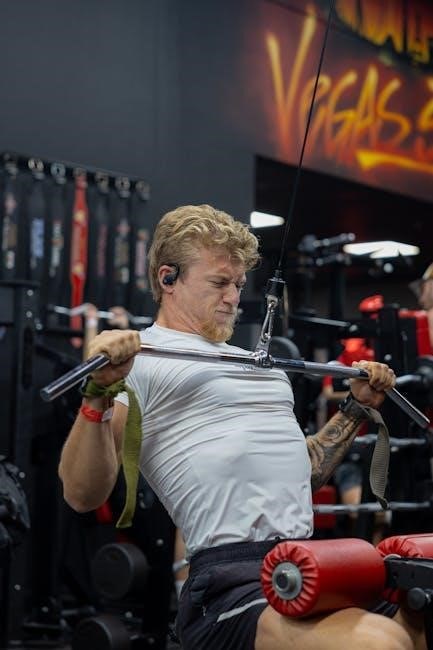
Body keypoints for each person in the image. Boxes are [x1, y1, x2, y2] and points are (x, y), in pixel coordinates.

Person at [58, 205, 425, 650]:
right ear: (168, 278)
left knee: (419, 621)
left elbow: (302, 472)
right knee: (379, 643)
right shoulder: (141, 360)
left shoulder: (262, 366)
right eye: (219, 283)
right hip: (231, 578)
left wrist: (355, 408)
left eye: (238, 284)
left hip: (305, 559)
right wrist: (97, 393)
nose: (233, 297)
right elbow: (82, 494)